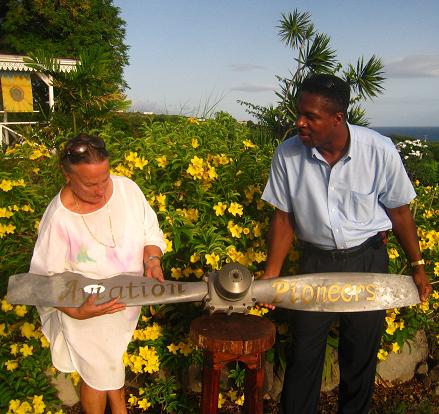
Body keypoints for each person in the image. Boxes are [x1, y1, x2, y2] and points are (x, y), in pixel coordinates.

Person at [261, 74, 432, 414]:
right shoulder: (288, 154)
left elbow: (399, 213)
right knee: (305, 353)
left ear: (338, 118)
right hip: (315, 264)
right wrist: (271, 275)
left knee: (360, 355)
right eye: (299, 113)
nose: (300, 122)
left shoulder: (378, 151)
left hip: (366, 262)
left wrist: (418, 267)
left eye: (310, 116)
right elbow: (284, 218)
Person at [29, 134, 166, 414]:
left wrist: (152, 259)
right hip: (86, 307)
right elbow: (42, 282)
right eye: (90, 184)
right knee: (96, 376)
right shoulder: (59, 218)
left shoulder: (127, 190)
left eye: (105, 178)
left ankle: (118, 407)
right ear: (66, 175)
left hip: (125, 303)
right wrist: (77, 312)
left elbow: (149, 230)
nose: (102, 190)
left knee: (111, 362)